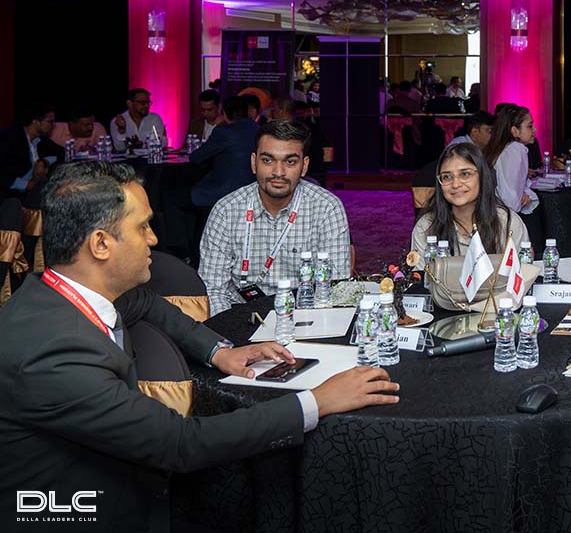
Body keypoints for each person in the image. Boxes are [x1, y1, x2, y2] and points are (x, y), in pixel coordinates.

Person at [0, 161, 399, 531]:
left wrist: (218, 352)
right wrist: (317, 402)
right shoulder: (52, 351)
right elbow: (180, 443)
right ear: (100, 244)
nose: (154, 239)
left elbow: (145, 303)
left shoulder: (63, 293)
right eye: (143, 227)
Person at [199, 119, 351, 316]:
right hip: (242, 317)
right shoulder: (226, 211)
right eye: (268, 160)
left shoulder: (326, 208)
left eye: (290, 162)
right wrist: (230, 332)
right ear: (254, 163)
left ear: (304, 166)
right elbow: (214, 290)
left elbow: (335, 288)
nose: (278, 172)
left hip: (307, 318)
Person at [411, 142, 528, 266]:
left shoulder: (507, 222)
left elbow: (524, 272)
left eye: (465, 174)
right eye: (447, 177)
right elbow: (420, 275)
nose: (456, 184)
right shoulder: (426, 226)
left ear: (482, 176)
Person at [189, 95, 259, 208]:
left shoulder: (224, 132)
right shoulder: (256, 128)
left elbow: (196, 157)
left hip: (228, 191)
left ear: (224, 113)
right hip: (254, 188)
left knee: (174, 196)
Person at [0, 102, 61, 202]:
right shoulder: (9, 138)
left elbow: (61, 152)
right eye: (50, 121)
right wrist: (27, 185)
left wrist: (44, 162)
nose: (53, 125)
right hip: (10, 195)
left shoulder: (40, 139)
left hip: (32, 191)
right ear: (35, 122)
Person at [483, 105, 538, 215]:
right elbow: (509, 196)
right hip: (502, 215)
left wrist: (523, 193)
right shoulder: (515, 150)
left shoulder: (503, 148)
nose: (534, 129)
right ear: (515, 131)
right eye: (529, 126)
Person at [111, 88, 167, 153]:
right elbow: (120, 148)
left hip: (150, 157)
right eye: (142, 102)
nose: (146, 105)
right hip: (127, 159)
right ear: (129, 103)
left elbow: (159, 144)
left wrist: (137, 145)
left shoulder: (155, 119)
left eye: (148, 102)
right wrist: (122, 131)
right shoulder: (117, 121)